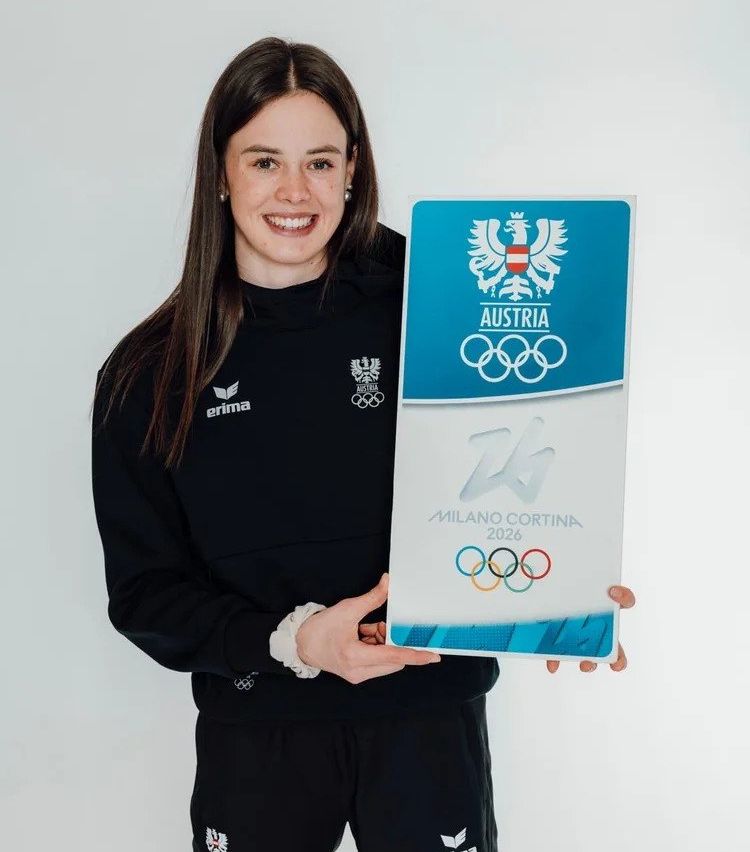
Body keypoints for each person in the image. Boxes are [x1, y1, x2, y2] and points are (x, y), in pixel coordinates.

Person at [90, 36, 635, 852]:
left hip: (429, 717)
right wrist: (297, 639)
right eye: (265, 160)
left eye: (320, 161)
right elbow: (145, 594)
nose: (294, 190)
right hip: (259, 736)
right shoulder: (150, 374)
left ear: (353, 168)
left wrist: (557, 594)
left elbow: (527, 462)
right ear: (220, 173)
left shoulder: (452, 309)